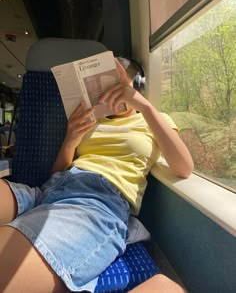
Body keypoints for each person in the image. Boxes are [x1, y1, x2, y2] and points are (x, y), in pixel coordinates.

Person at [0, 57, 193, 293]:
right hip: (51, 189)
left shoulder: (152, 120)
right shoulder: (91, 119)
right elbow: (55, 174)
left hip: (97, 201)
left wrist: (145, 107)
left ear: (137, 86)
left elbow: (184, 167)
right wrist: (71, 138)